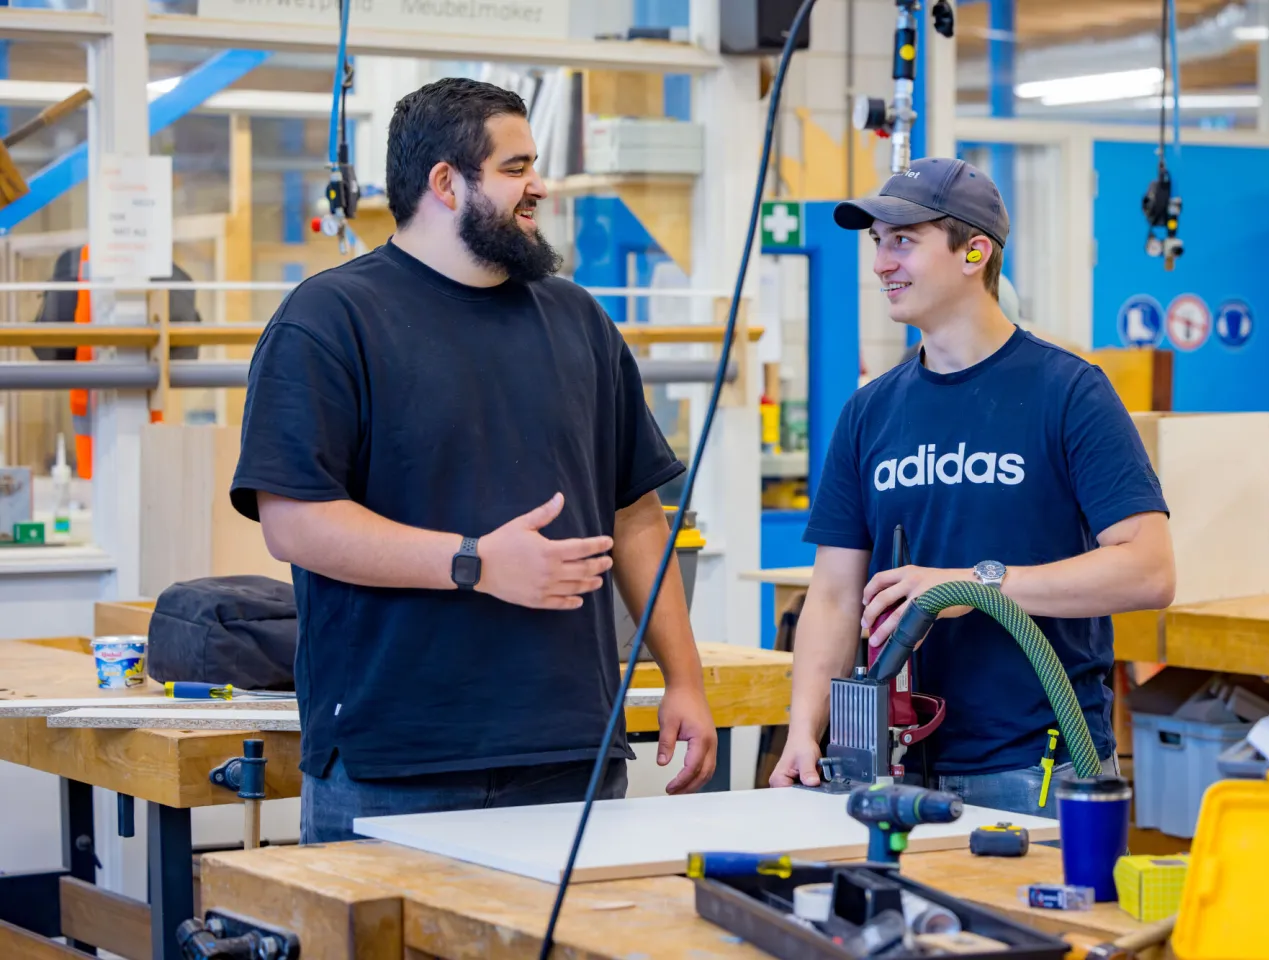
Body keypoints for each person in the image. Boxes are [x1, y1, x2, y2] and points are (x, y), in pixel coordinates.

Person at [229, 78, 717, 843]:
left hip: (570, 754)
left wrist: (683, 680)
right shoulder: (330, 320)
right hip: (396, 763)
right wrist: (475, 563)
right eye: (517, 167)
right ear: (447, 183)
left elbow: (637, 515)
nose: (540, 187)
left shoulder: (579, 320)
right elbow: (294, 523)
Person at [768, 158, 1176, 816]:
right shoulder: (871, 412)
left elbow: (1149, 570)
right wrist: (803, 731)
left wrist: (972, 586)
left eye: (903, 240)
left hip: (1037, 763)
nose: (881, 264)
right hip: (894, 768)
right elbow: (835, 595)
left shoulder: (1069, 392)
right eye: (879, 242)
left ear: (974, 251)